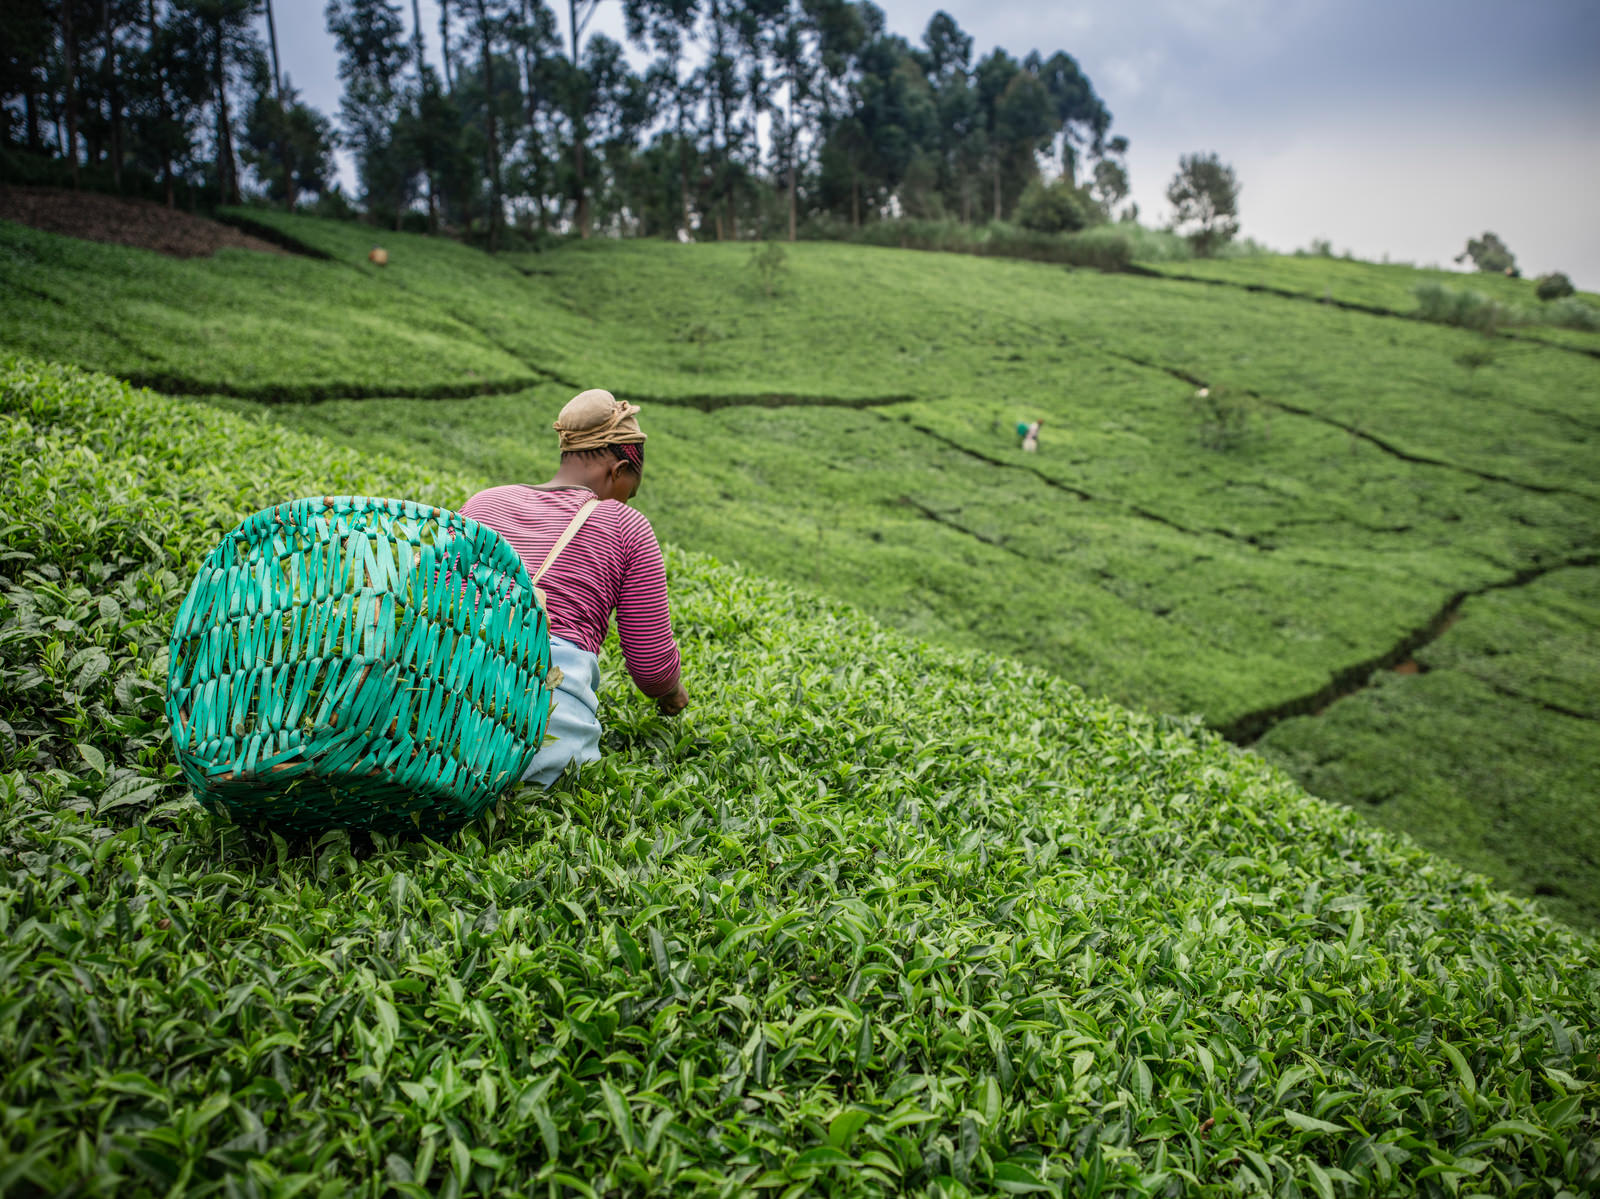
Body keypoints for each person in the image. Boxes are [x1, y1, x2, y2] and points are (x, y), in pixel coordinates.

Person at [461, 389, 688, 786]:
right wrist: (672, 695)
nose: (625, 502)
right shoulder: (625, 526)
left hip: (444, 716)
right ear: (617, 471)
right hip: (542, 749)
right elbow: (650, 666)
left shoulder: (484, 504)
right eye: (628, 493)